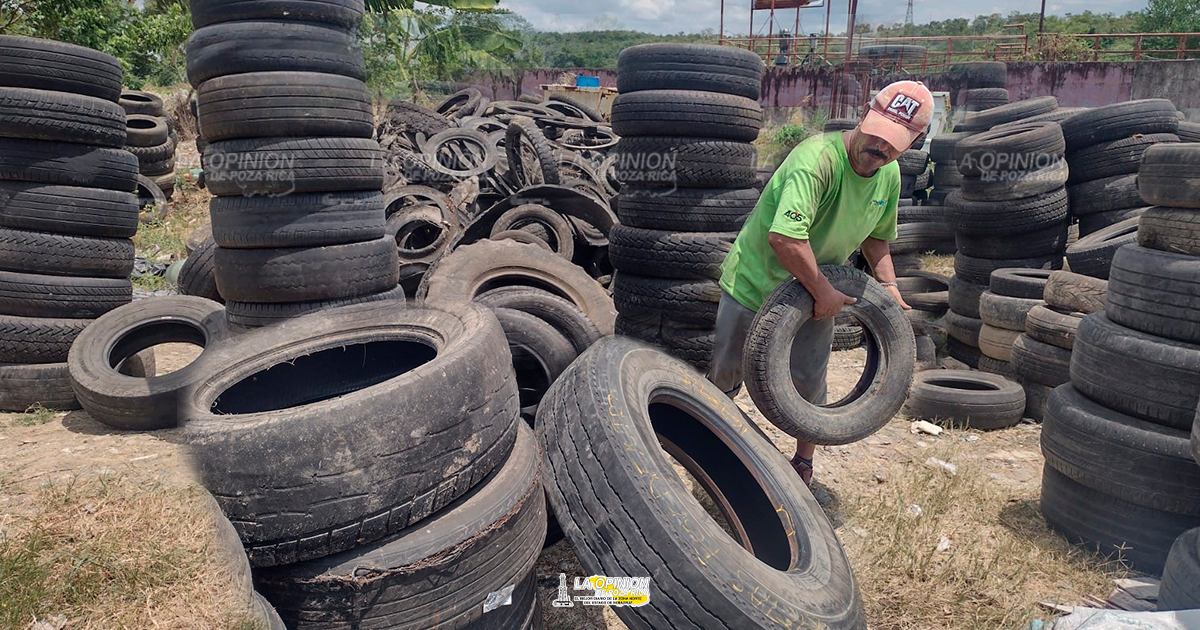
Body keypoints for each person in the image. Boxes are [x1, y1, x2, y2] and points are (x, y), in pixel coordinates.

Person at [707, 80, 932, 486]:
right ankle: (710, 451)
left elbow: (877, 234)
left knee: (810, 383)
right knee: (726, 376)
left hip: (811, 294)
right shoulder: (817, 160)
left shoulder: (890, 175)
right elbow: (785, 239)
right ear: (865, 113)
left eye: (894, 143)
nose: (880, 148)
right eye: (876, 134)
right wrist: (825, 292)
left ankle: (803, 465)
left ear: (914, 142)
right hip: (756, 283)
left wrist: (890, 286)